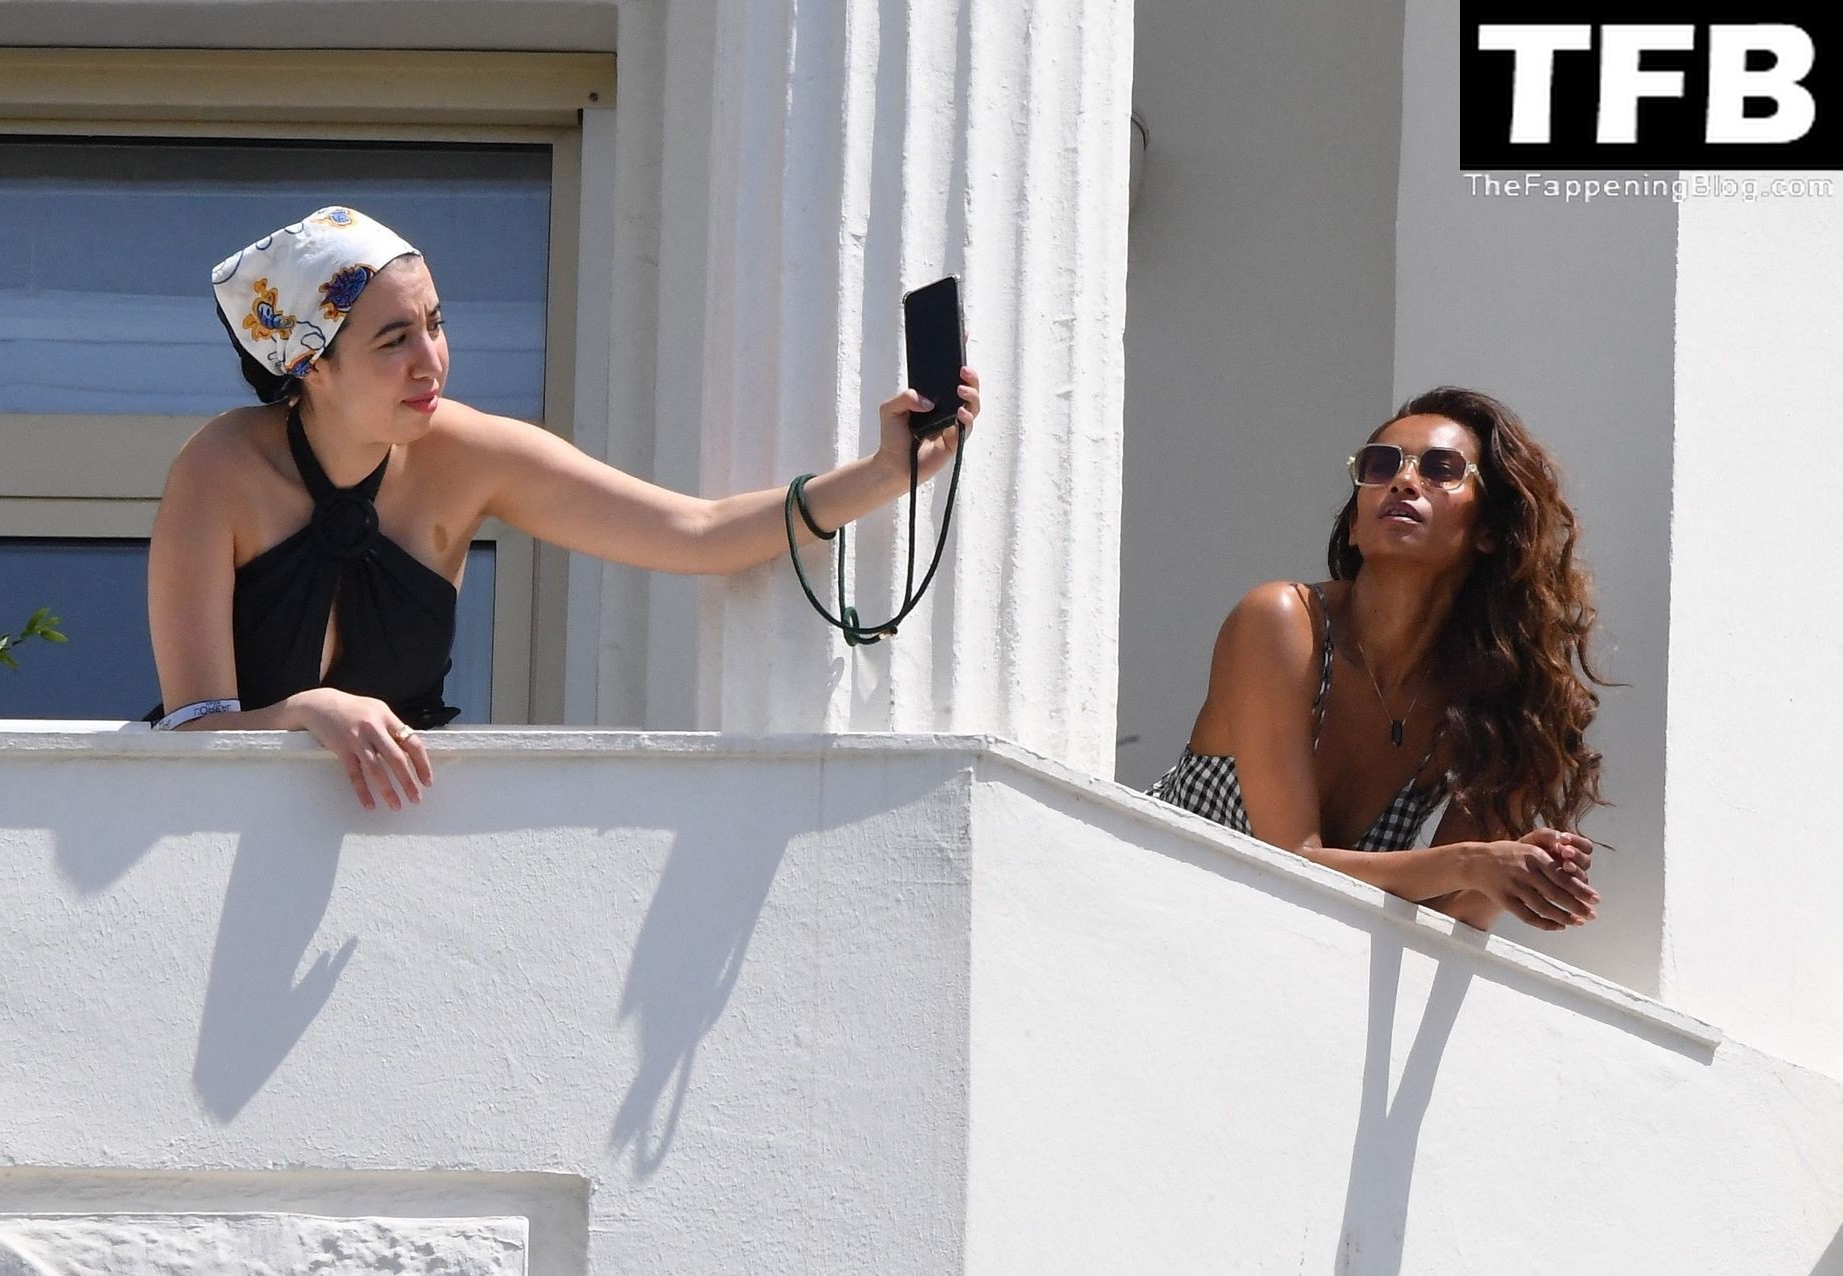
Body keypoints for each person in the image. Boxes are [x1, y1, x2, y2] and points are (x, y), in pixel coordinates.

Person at [147, 206, 980, 811]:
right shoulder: (220, 468)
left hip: (395, 851)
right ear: (310, 367)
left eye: (435, 324)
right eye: (393, 340)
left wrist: (884, 474)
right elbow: (188, 733)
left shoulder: (470, 453)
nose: (431, 361)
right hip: (207, 865)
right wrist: (308, 712)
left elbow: (698, 533)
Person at [1147, 387, 1605, 932]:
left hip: (1278, 957)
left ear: (1489, 531)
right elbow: (1289, 862)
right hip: (1153, 914)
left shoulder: (1489, 705)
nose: (1404, 480)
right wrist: (1472, 864)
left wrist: (1521, 875)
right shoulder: (1282, 622)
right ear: (1355, 525)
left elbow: (1445, 919)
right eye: (1381, 465)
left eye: (1441, 469)